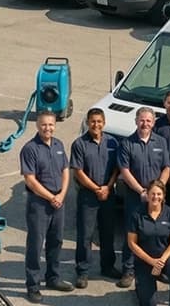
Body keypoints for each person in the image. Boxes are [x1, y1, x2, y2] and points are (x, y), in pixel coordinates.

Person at [20, 110, 74, 303]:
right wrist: (52, 197)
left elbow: (65, 171)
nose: (48, 128)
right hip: (39, 204)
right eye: (44, 125)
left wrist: (61, 194)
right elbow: (30, 180)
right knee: (35, 245)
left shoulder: (59, 145)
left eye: (51, 124)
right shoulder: (30, 149)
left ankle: (53, 277)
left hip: (58, 201)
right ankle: (33, 286)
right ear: (37, 125)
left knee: (56, 241)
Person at [117, 107, 170, 288]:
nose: (145, 124)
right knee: (131, 234)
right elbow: (125, 171)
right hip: (136, 196)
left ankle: (159, 268)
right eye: (142, 120)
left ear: (154, 122)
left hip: (157, 198)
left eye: (148, 120)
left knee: (158, 235)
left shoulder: (161, 142)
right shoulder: (127, 143)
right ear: (136, 121)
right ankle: (128, 270)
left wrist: (159, 190)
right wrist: (142, 191)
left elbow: (166, 167)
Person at [69, 108, 121, 289]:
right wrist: (97, 188)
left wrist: (108, 186)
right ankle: (83, 272)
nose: (96, 125)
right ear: (87, 123)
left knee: (108, 233)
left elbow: (117, 168)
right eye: (92, 121)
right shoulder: (79, 144)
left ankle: (107, 267)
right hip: (88, 196)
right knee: (85, 235)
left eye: (99, 121)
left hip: (108, 193)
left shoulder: (112, 143)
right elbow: (78, 172)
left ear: (104, 123)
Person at [127, 180, 170, 306]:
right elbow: (132, 243)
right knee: (149, 303)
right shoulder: (136, 214)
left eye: (159, 194)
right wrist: (151, 261)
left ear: (163, 196)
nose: (155, 197)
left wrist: (161, 261)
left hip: (165, 257)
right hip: (144, 259)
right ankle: (140, 285)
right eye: (152, 194)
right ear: (147, 195)